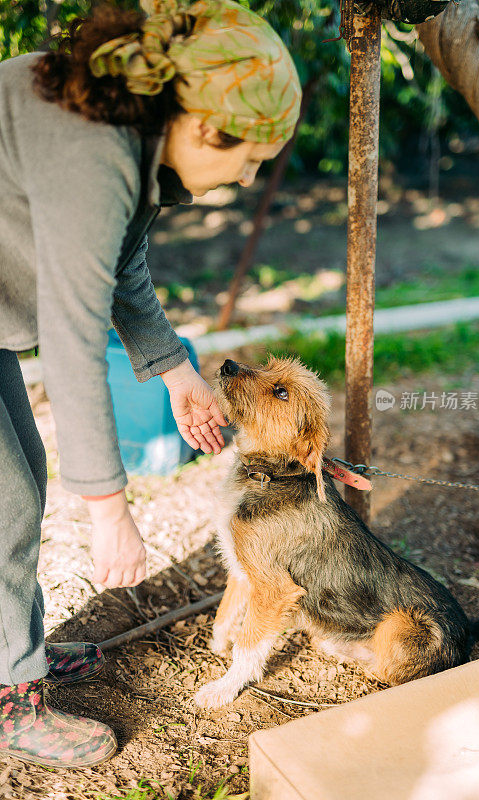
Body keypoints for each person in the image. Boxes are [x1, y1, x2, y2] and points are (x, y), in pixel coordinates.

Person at [0, 0, 301, 767]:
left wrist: (176, 371)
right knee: (7, 502)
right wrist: (108, 508)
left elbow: (119, 266)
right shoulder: (91, 151)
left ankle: (15, 653)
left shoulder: (131, 137)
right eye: (248, 158)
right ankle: (12, 697)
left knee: (19, 484)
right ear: (203, 125)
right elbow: (72, 337)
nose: (247, 175)